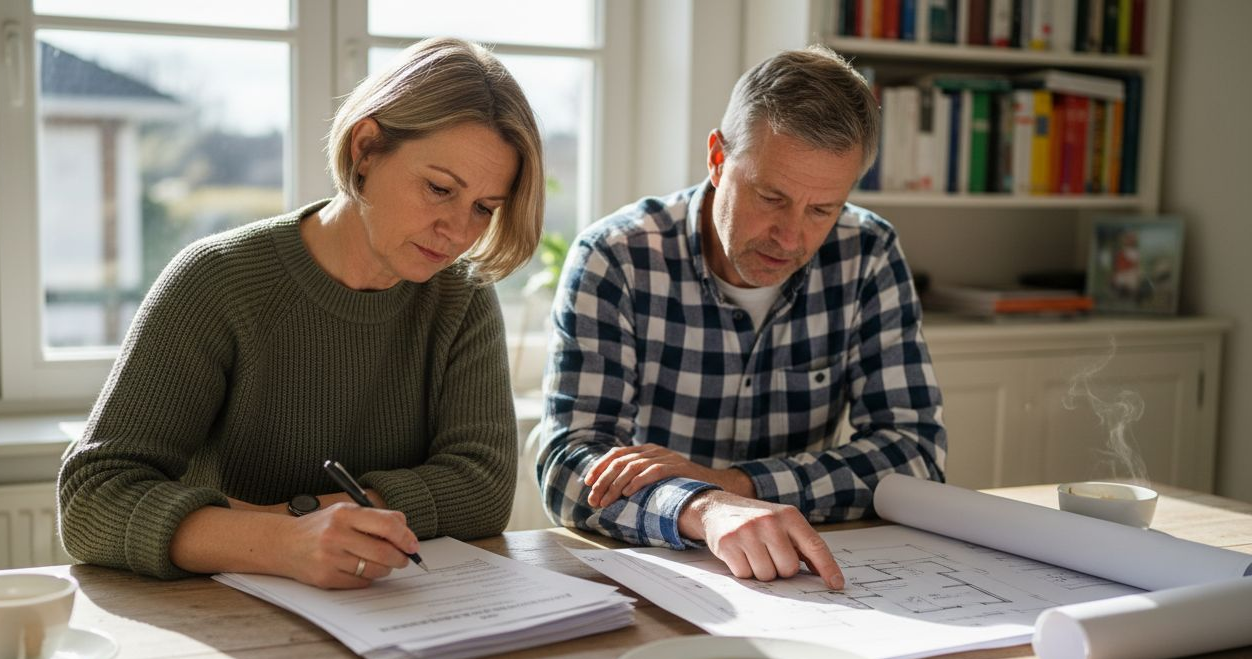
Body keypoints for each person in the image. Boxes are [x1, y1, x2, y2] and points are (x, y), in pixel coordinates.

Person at [58, 37, 544, 589]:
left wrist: (290, 517)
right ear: (366, 149)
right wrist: (286, 542)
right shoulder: (216, 280)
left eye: (484, 208)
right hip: (227, 619)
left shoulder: (460, 294)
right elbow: (92, 499)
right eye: (439, 189)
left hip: (386, 610)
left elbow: (482, 487)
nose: (459, 232)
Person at [537, 46, 946, 589]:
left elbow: (916, 458)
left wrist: (735, 485)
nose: (791, 236)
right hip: (659, 570)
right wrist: (705, 508)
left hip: (807, 574)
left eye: (823, 209)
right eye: (771, 197)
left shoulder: (867, 252)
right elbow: (569, 468)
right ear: (717, 157)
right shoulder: (617, 257)